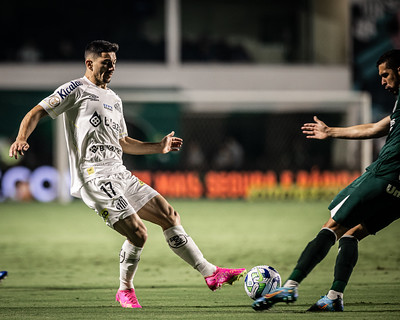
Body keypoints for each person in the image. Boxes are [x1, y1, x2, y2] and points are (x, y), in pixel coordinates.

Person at [9, 40, 245, 309]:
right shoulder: (75, 89)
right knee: (139, 233)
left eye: (114, 63)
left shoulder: (114, 99)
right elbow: (36, 112)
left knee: (169, 215)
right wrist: (20, 138)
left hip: (119, 173)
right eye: (105, 62)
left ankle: (210, 273)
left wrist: (159, 147)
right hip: (94, 177)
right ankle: (125, 290)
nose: (111, 68)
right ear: (89, 63)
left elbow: (124, 142)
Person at [252, 49, 400, 312]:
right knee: (352, 235)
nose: (382, 81)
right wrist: (331, 131)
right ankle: (334, 296)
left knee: (332, 227)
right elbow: (377, 127)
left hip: (382, 174)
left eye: (385, 75)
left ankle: (290, 287)